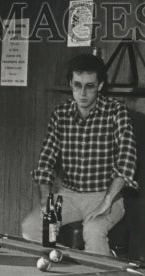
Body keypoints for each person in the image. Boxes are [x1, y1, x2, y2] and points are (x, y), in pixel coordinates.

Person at [22, 53, 138, 255]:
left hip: (106, 195)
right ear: (70, 84)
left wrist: (107, 202)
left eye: (89, 86)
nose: (82, 93)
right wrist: (46, 203)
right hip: (69, 196)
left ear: (100, 85)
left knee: (93, 231)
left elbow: (127, 160)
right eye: (77, 85)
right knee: (31, 227)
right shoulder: (61, 114)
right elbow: (45, 163)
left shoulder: (116, 112)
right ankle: (59, 269)